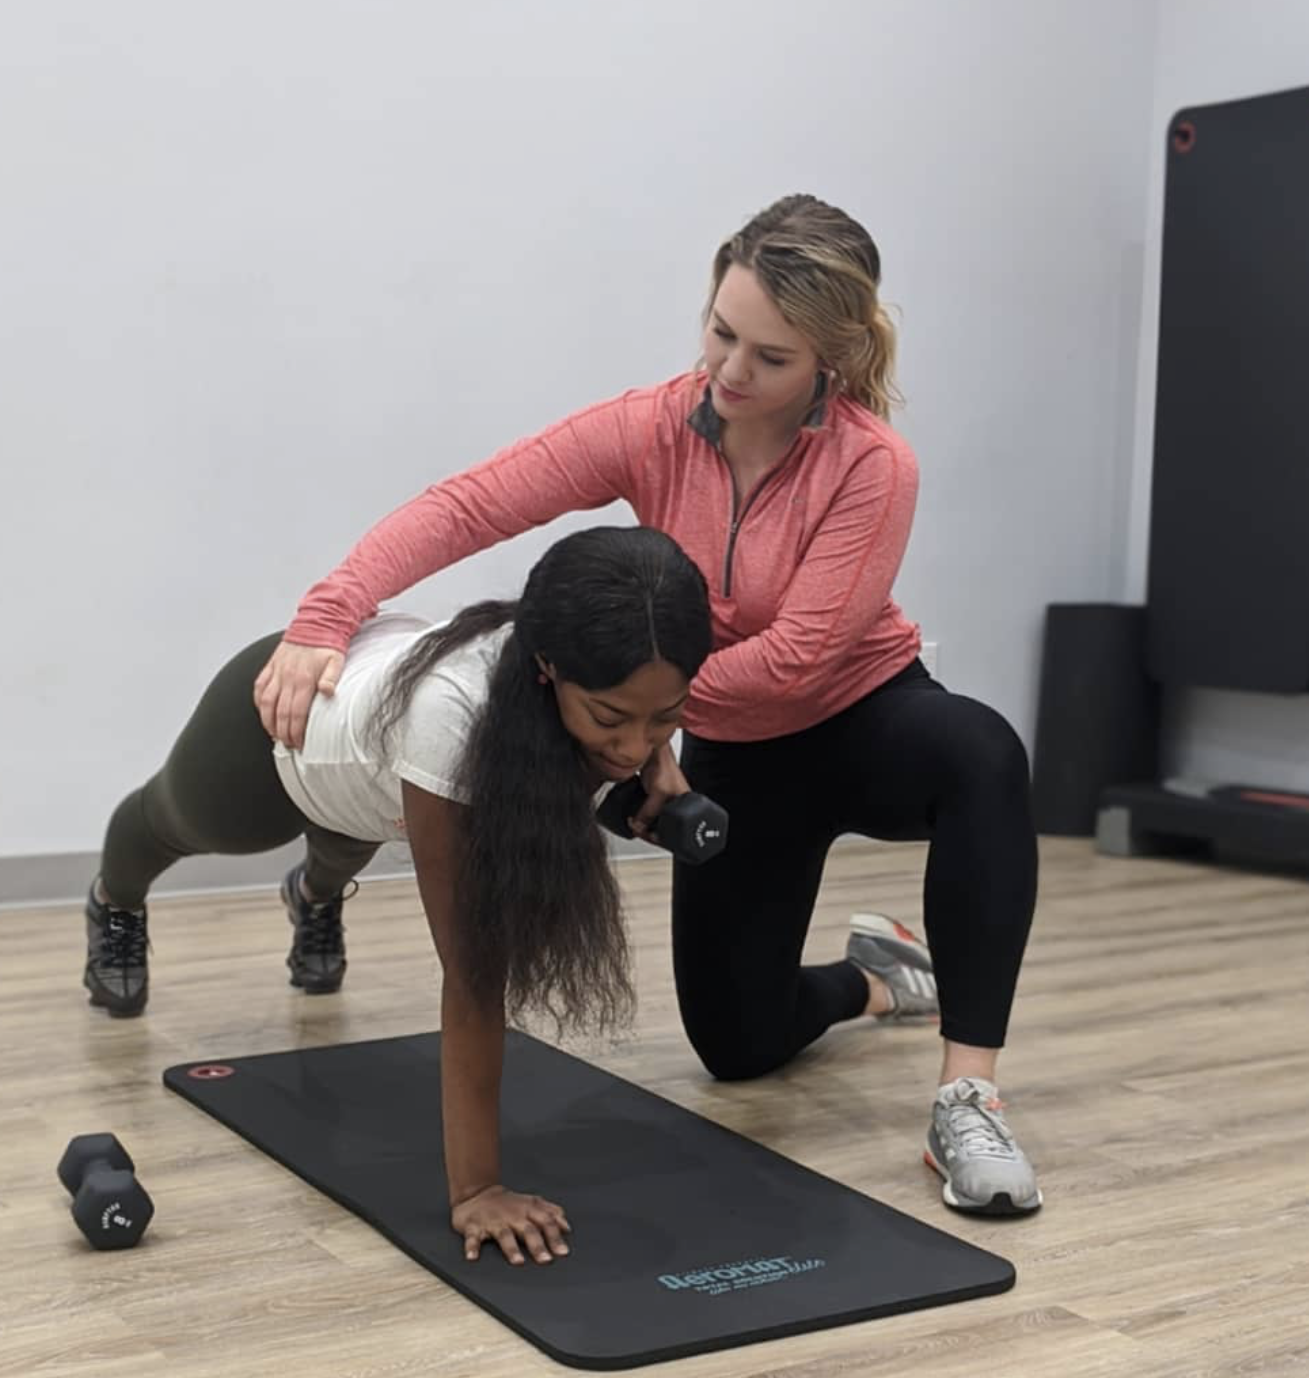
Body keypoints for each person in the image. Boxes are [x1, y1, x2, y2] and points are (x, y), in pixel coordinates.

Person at [253, 194, 1043, 1218]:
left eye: (769, 356)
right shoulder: (652, 427)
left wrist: (626, 718)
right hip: (732, 755)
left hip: (862, 722)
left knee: (980, 751)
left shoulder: (872, 465)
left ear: (830, 364)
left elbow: (798, 660)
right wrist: (327, 614)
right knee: (739, 1049)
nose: (728, 373)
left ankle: (966, 1096)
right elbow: (471, 504)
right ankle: (875, 977)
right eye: (721, 332)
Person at [85, 526, 721, 1265]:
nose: (635, 746)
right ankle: (115, 899)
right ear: (547, 668)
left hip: (370, 777)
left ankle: (315, 896)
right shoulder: (450, 723)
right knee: (174, 822)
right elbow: (474, 972)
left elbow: (637, 698)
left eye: (666, 717)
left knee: (351, 835)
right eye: (612, 719)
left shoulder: (603, 672)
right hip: (281, 731)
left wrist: (655, 753)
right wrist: (477, 1191)